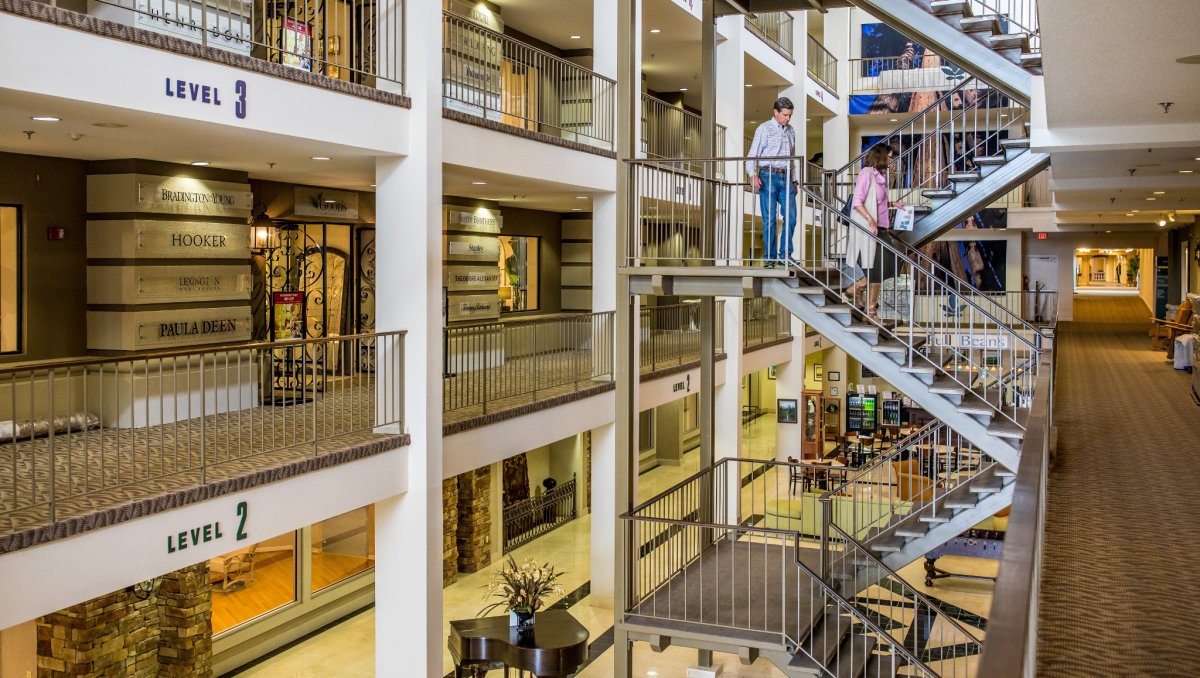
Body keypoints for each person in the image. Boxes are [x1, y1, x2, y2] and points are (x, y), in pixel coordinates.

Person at [849, 143, 905, 319]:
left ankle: (856, 288)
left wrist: (892, 204)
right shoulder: (867, 173)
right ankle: (871, 311)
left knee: (891, 264)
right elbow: (857, 202)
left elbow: (876, 202)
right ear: (880, 157)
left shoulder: (880, 176)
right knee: (876, 270)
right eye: (889, 156)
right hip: (869, 230)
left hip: (881, 229)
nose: (891, 160)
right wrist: (870, 220)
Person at [747, 97, 799, 267]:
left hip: (786, 177)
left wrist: (795, 179)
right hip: (767, 175)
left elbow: (792, 157)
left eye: (790, 115)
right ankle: (770, 258)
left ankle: (785, 256)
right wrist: (752, 174)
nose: (788, 118)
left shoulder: (790, 130)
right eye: (785, 115)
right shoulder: (764, 128)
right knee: (769, 218)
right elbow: (752, 154)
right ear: (775, 112)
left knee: (791, 217)